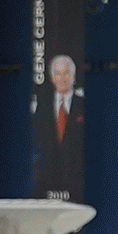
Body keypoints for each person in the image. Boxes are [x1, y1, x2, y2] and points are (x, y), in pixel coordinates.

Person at [35, 54, 84, 199]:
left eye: (66, 73)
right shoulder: (43, 105)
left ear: (74, 77)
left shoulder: (84, 104)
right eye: (58, 73)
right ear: (52, 78)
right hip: (46, 181)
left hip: (77, 182)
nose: (62, 78)